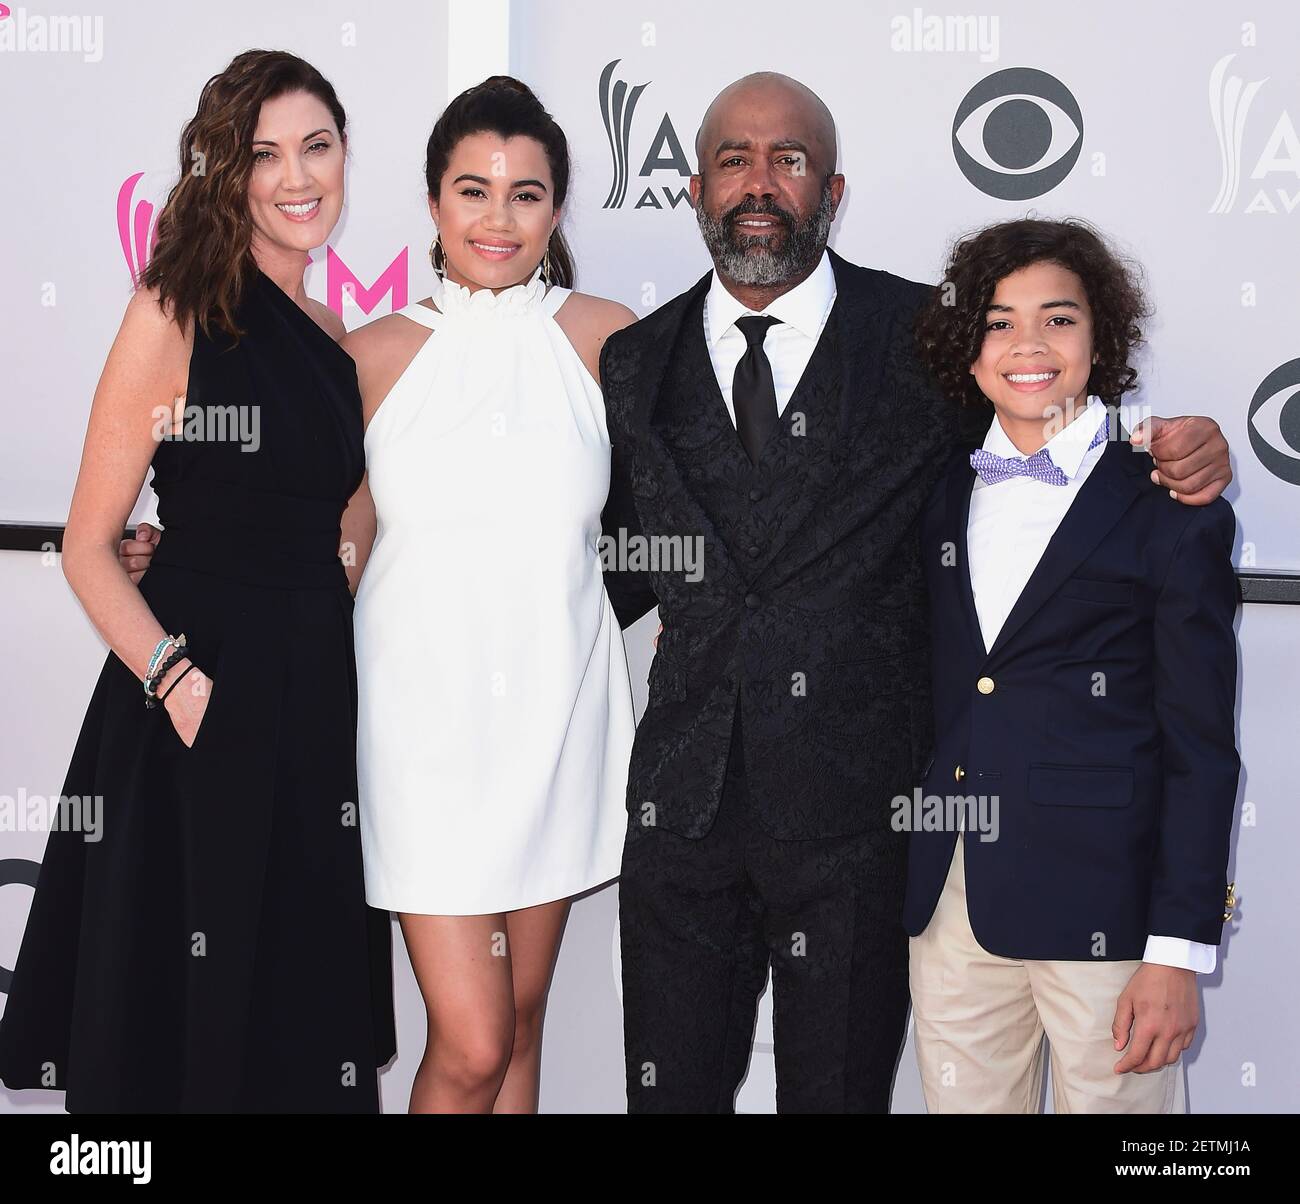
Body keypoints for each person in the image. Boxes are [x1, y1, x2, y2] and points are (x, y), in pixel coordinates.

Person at [600, 72, 1234, 1114]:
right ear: (694, 188)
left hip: (866, 825)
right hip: (683, 812)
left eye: (789, 160)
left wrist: (1173, 437)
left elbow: (1047, 424)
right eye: (733, 159)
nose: (760, 183)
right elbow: (612, 564)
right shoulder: (630, 361)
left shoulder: (928, 341)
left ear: (832, 188)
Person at [123, 77, 639, 1115]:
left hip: (561, 720)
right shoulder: (367, 355)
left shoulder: (609, 340)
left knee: (524, 1021)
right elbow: (313, 530)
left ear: (557, 208)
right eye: (472, 190)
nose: (499, 219)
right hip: (421, 742)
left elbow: (659, 529)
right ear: (433, 201)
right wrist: (168, 551)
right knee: (474, 1039)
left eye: (526, 194)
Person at [0, 50, 395, 1112]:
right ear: (227, 170)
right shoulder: (174, 309)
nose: (297, 177)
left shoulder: (330, 336)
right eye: (264, 154)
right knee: (184, 1022)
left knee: (291, 1017)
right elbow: (90, 544)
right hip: (198, 699)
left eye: (316, 146)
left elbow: (342, 529)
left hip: (313, 694)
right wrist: (179, 684)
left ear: (346, 154)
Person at [903, 218, 1239, 1113]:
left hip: (1110, 912)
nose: (1028, 347)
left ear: (1103, 340)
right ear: (970, 349)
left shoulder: (1171, 506)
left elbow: (1202, 749)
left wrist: (1176, 952)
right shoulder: (938, 492)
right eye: (1000, 321)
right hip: (953, 905)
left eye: (1058, 320)